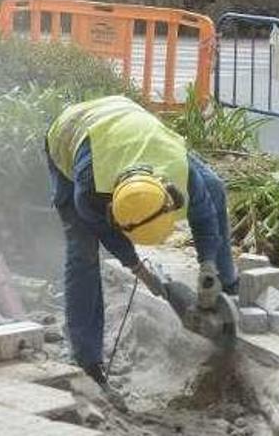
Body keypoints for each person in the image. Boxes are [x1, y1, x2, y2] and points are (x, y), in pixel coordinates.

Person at [45, 95, 240, 386]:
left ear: (169, 196)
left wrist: (208, 264)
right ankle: (87, 360)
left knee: (212, 186)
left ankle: (223, 284)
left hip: (130, 124)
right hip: (70, 135)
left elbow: (204, 215)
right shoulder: (88, 194)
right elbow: (108, 235)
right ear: (111, 209)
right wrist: (138, 268)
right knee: (82, 252)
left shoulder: (179, 173)